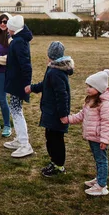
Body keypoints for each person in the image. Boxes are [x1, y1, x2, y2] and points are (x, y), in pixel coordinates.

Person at [25, 41, 74, 177]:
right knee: (50, 137)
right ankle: (54, 161)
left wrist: (63, 115)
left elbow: (62, 95)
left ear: (50, 55)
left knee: (56, 139)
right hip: (50, 111)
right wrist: (32, 88)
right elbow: (45, 84)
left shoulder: (55, 72)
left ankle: (59, 165)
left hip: (56, 113)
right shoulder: (52, 69)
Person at [67, 69, 109, 196]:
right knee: (98, 159)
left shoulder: (105, 104)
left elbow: (106, 123)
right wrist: (68, 119)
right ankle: (99, 178)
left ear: (99, 88)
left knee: (101, 160)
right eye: (88, 86)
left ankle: (102, 186)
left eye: (92, 86)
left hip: (99, 138)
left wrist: (104, 140)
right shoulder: (91, 100)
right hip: (92, 137)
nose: (88, 89)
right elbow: (82, 115)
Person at [2, 15, 34, 158]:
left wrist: (27, 84)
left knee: (16, 112)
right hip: (16, 82)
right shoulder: (18, 40)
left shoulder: (19, 42)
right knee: (15, 110)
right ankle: (19, 139)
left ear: (13, 29)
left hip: (18, 83)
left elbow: (25, 64)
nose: (7, 29)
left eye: (9, 27)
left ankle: (24, 144)